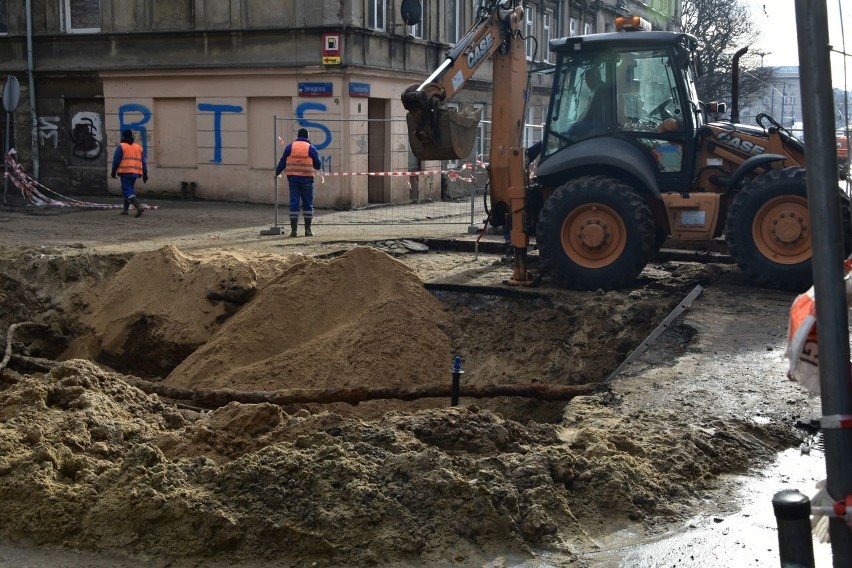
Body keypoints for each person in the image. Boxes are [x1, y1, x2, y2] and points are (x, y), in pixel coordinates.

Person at [275, 127, 321, 237]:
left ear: (298, 136)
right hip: (307, 180)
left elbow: (282, 162)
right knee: (307, 204)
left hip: (293, 180)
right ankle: (308, 230)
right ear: (307, 136)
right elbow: (318, 165)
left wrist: (277, 172)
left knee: (294, 203)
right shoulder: (311, 148)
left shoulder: (290, 147)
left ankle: (294, 231)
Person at [110, 129, 148, 217]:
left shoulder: (122, 146)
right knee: (129, 190)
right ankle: (125, 210)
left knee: (126, 190)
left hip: (125, 172)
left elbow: (116, 160)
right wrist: (145, 174)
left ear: (123, 136)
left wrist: (113, 171)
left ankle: (138, 206)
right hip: (135, 173)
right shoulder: (138, 147)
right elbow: (144, 162)